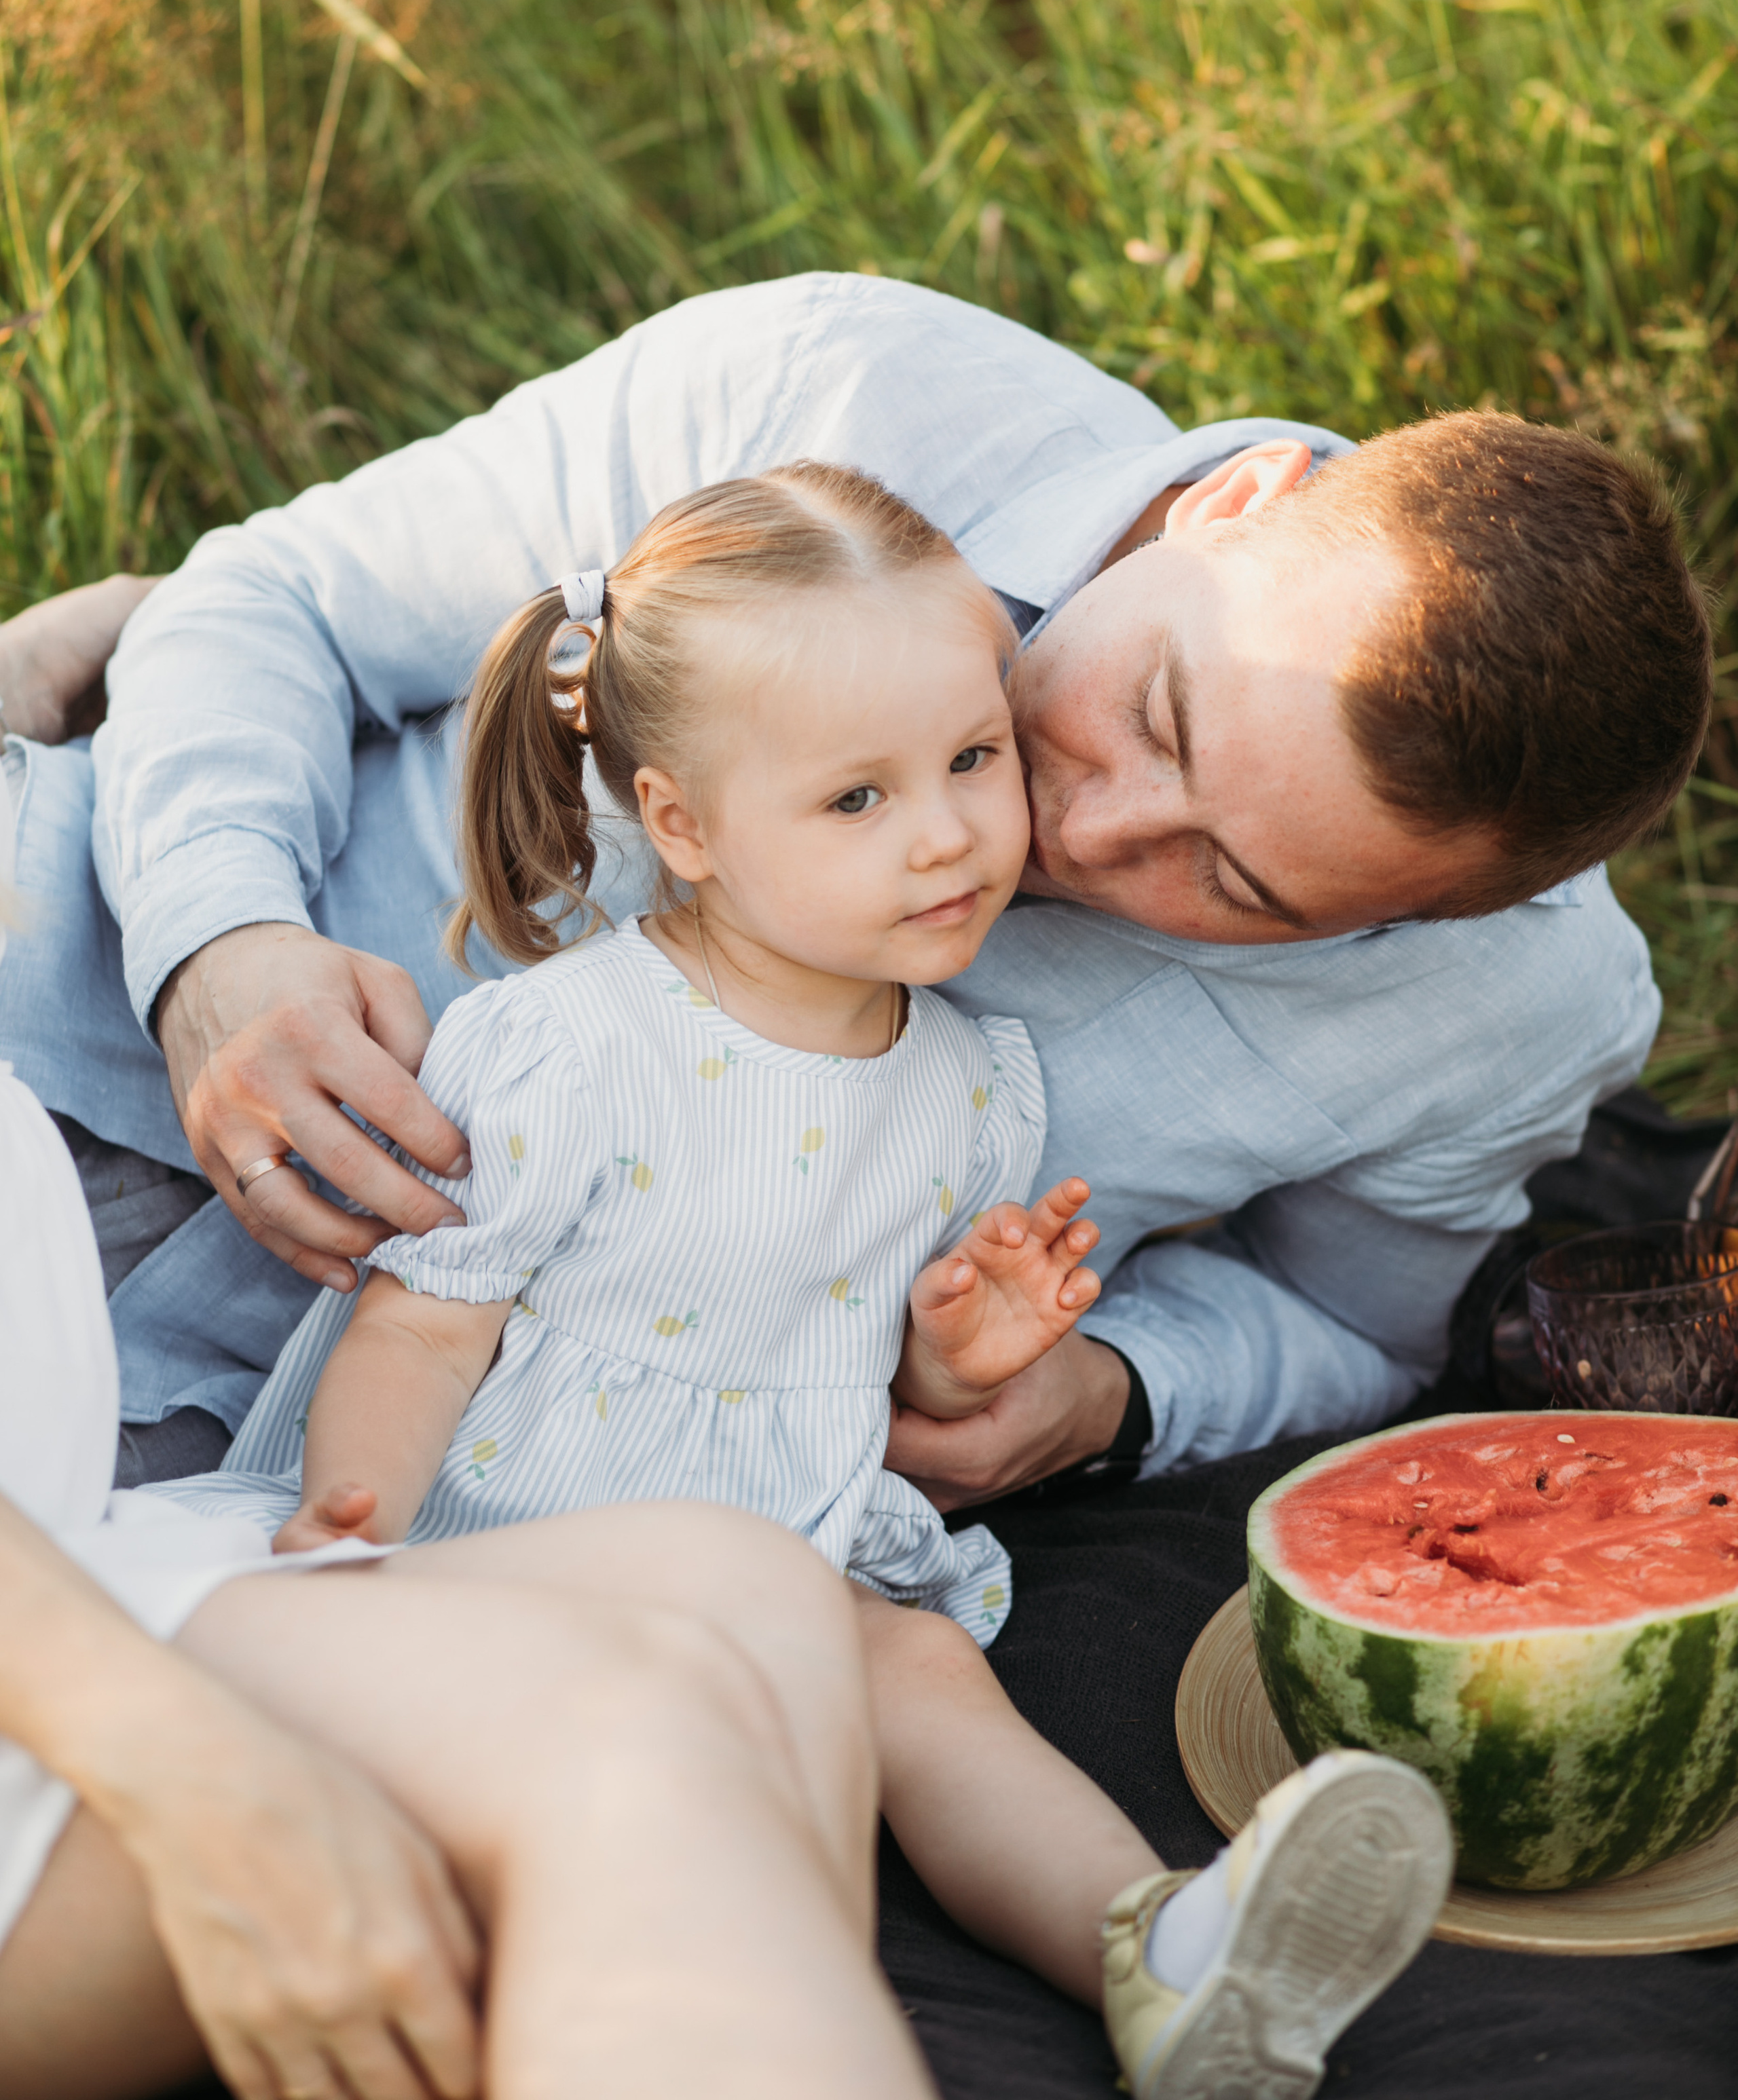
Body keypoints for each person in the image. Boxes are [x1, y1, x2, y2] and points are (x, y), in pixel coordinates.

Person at [143, 462, 1455, 2100]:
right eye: (857, 801)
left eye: (973, 759)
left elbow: (865, 1380)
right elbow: (423, 1320)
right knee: (684, 1761)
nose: (949, 835)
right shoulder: (570, 1044)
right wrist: (352, 1537)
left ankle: (1159, 1950)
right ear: (681, 825)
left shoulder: (973, 1083)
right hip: (508, 1534)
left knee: (917, 1666)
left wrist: (966, 1359)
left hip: (777, 1544)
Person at [0, 276, 1710, 1495]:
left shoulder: (1512, 1012)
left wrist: (1105, 1395)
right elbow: (281, 596)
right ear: (1240, 498)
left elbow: (1348, 1315)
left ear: (1430, 922)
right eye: (1156, 709)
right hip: (64, 974)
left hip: (294, 1424)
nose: (1081, 828)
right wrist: (218, 938)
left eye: (1236, 889)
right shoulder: (846, 384)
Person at [0, 779, 938, 2100]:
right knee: (614, 1737)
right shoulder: (575, 1040)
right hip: (55, 1664)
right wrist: (191, 1766)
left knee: (756, 1591)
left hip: (67, 1561)